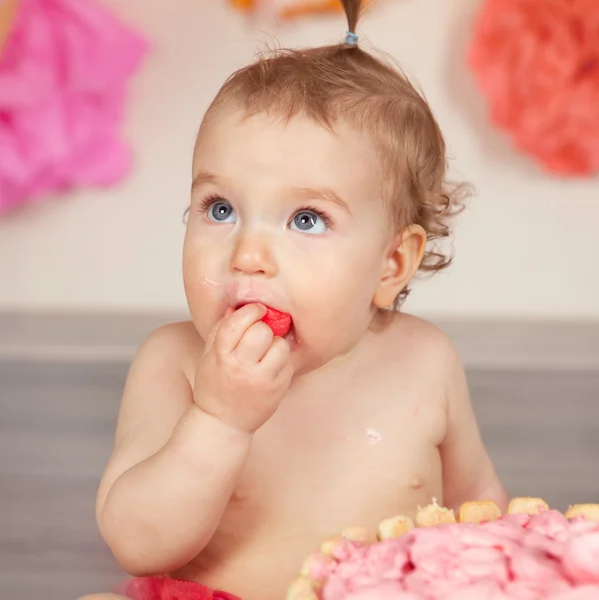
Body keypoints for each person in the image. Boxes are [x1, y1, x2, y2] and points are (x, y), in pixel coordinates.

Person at [80, 1, 507, 598]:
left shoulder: (425, 362)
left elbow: (481, 511)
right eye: (220, 209)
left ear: (392, 263)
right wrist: (218, 420)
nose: (247, 253)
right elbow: (137, 542)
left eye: (307, 219)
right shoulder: (174, 362)